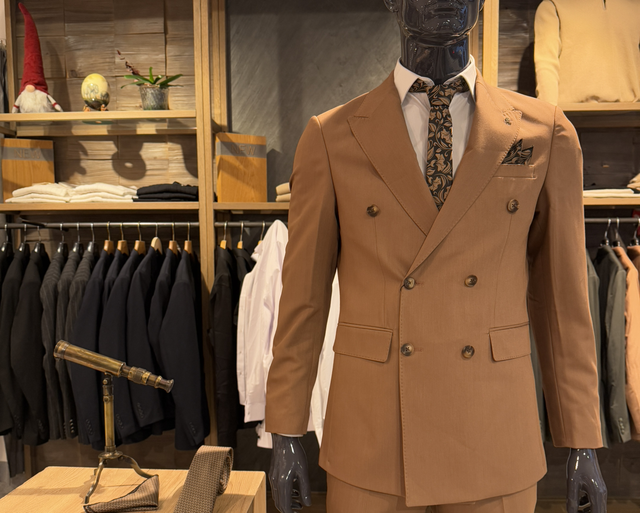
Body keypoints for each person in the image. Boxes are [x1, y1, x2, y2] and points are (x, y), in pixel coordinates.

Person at [265, 1, 606, 512]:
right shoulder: (332, 136)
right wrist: (286, 430)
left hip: (493, 431)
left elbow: (564, 304)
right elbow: (303, 304)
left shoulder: (546, 133)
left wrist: (582, 439)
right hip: (373, 437)